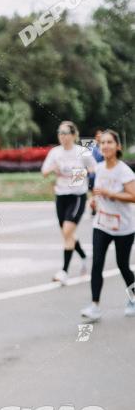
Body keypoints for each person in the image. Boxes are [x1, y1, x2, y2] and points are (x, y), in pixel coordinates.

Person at [81, 129, 135, 322]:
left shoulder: (124, 171)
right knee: (97, 263)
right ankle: (94, 306)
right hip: (102, 223)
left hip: (124, 227)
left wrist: (110, 194)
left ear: (117, 146)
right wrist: (94, 201)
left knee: (122, 265)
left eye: (109, 142)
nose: (105, 146)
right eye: (102, 143)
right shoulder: (99, 168)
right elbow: (98, 192)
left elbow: (133, 196)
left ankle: (134, 297)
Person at [41, 121, 95, 284]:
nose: (62, 136)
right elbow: (44, 171)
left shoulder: (82, 152)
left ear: (73, 135)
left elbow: (94, 170)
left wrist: (82, 176)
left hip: (77, 195)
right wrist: (53, 169)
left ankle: (64, 271)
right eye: (60, 133)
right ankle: (84, 256)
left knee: (67, 231)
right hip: (61, 196)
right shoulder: (55, 152)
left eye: (65, 133)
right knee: (67, 233)